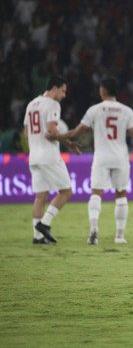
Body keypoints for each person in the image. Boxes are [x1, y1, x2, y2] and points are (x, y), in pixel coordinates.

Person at [49, 77, 133, 244]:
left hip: (102, 157)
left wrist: (59, 137)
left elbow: (77, 132)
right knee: (121, 195)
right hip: (120, 157)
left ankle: (94, 230)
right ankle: (119, 236)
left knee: (96, 193)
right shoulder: (127, 111)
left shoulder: (94, 110)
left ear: (103, 91)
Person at [24, 75, 80, 244]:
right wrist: (69, 142)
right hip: (49, 155)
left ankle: (37, 237)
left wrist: (33, 148)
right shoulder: (53, 104)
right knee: (66, 191)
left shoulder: (31, 104)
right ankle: (45, 224)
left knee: (40, 196)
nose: (64, 95)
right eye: (63, 91)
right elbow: (51, 132)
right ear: (54, 88)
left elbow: (26, 133)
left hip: (34, 156)